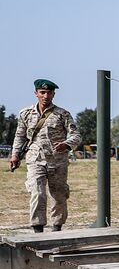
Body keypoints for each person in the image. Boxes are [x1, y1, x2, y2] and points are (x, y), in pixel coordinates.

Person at [9, 78, 82, 232]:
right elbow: (20, 136)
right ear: (36, 93)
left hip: (58, 162)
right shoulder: (25, 114)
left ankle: (57, 227)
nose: (46, 96)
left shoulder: (62, 114)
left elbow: (76, 136)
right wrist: (15, 155)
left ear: (53, 94)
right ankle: (38, 228)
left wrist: (66, 144)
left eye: (49, 93)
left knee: (59, 196)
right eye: (42, 92)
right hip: (35, 159)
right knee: (37, 192)